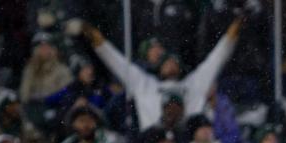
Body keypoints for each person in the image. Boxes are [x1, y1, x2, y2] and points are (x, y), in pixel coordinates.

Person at [83, 19, 242, 130]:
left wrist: (239, 22)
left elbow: (220, 54)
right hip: (153, 140)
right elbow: (115, 60)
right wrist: (92, 35)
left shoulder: (194, 83)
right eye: (166, 62)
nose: (171, 64)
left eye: (174, 62)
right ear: (158, 68)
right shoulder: (144, 84)